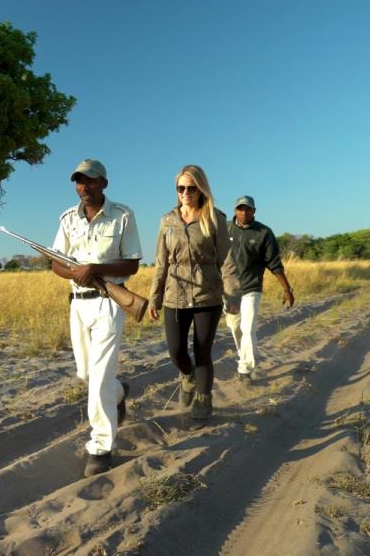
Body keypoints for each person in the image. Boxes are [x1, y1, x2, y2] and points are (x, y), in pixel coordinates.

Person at [52, 158, 142, 477]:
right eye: (78, 181)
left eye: (89, 181)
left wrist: (96, 270)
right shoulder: (67, 219)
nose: (83, 187)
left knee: (100, 377)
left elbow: (131, 265)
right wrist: (73, 274)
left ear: (104, 183)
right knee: (87, 375)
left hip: (108, 301)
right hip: (78, 303)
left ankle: (101, 447)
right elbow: (56, 262)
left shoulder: (123, 216)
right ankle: (119, 393)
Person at [148, 165, 240, 430]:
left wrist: (232, 294)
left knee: (202, 351)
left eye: (191, 188)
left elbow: (227, 259)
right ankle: (187, 376)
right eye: (181, 188)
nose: (185, 193)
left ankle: (203, 399)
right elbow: (161, 263)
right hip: (173, 296)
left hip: (206, 295)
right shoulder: (167, 220)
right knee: (176, 350)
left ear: (201, 189)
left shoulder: (215, 218)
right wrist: (154, 297)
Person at [225, 195, 294, 381]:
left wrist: (287, 289)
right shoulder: (225, 229)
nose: (244, 212)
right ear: (235, 211)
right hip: (230, 290)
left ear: (254, 211)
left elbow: (274, 264)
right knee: (235, 327)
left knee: (248, 328)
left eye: (248, 209)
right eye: (240, 209)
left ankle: (245, 368)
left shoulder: (264, 233)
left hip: (251, 288)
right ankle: (244, 356)